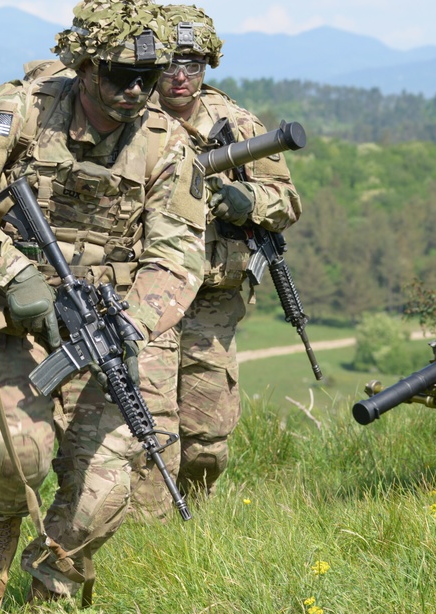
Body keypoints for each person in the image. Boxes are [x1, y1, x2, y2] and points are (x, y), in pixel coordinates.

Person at [0, 0, 206, 607]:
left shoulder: (168, 144)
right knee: (18, 450)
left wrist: (130, 325)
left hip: (112, 317)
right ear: (86, 67)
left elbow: (178, 257)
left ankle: (51, 585)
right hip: (12, 307)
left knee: (104, 485)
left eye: (147, 80)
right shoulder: (22, 109)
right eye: (119, 76)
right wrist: (13, 267)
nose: (134, 93)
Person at [128, 4, 302, 518]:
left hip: (213, 296)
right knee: (151, 429)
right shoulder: (131, 120)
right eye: (171, 64)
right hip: (148, 294)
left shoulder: (238, 123)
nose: (181, 77)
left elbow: (288, 201)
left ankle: (192, 519)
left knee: (206, 440)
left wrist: (254, 203)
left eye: (194, 65)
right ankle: (148, 536)